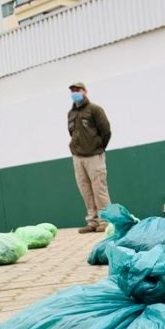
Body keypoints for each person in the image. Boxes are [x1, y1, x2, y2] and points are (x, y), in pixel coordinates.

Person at [67, 81, 112, 233]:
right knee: (85, 189)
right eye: (72, 91)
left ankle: (106, 221)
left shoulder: (95, 109)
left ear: (85, 91)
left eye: (78, 90)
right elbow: (72, 133)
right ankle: (92, 221)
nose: (75, 93)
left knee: (99, 189)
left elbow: (106, 131)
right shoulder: (71, 113)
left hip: (94, 155)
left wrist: (99, 147)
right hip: (77, 157)